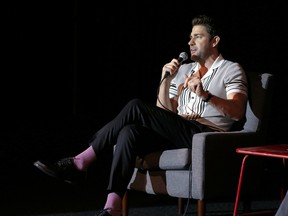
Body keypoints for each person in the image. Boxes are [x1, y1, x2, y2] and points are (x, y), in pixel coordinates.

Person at [33, 14, 248, 216]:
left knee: (136, 106)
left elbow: (237, 112)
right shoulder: (185, 71)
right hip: (179, 130)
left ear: (214, 41)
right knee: (129, 132)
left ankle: (82, 160)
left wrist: (206, 95)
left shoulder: (230, 69)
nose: (190, 42)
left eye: (198, 37)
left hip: (206, 134)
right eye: (190, 37)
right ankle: (112, 205)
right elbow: (162, 115)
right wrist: (166, 79)